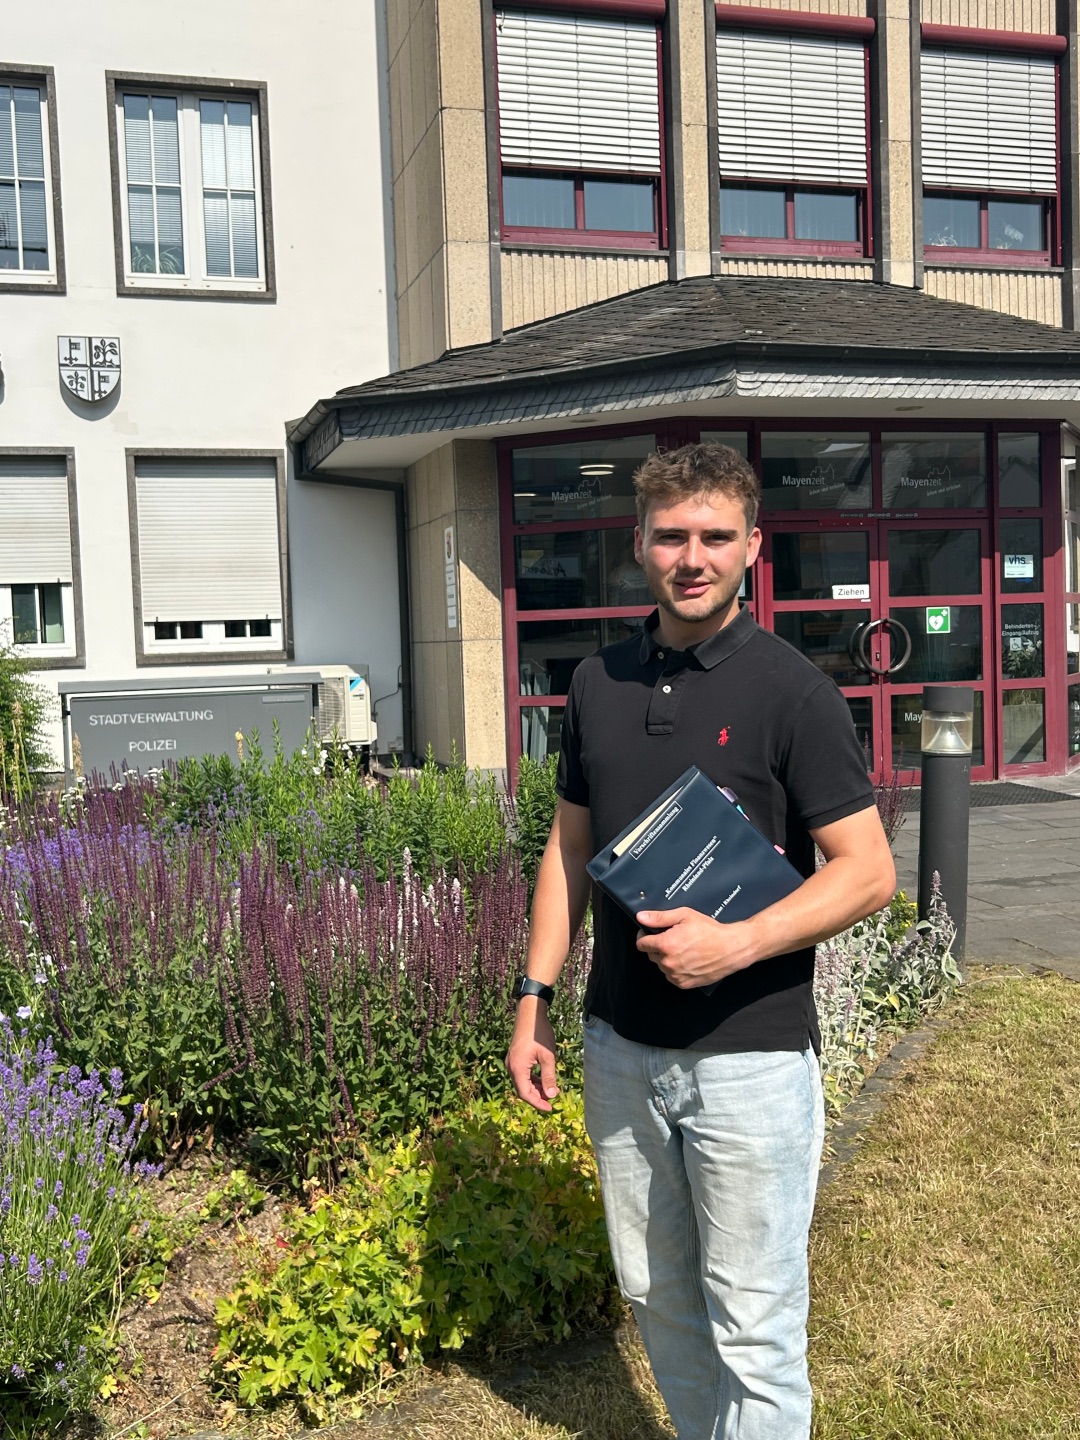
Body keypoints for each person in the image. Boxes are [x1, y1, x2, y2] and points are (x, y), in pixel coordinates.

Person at [506, 442, 895, 1440]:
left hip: (749, 1062)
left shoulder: (793, 692)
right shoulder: (595, 680)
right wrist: (534, 998)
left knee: (755, 1326)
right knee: (658, 1297)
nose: (693, 555)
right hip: (621, 1053)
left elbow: (868, 870)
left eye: (715, 536)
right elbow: (569, 847)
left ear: (753, 548)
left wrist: (741, 942)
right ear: (638, 544)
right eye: (671, 535)